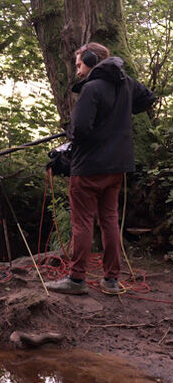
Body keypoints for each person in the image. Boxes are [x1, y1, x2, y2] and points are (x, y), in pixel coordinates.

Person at [45, 42, 156, 295]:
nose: (78, 71)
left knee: (82, 222)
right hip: (117, 168)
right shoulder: (126, 83)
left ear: (92, 60)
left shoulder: (92, 88)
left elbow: (81, 129)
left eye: (79, 64)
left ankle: (76, 280)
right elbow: (148, 98)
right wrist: (119, 114)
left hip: (88, 168)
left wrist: (71, 135)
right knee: (109, 221)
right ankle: (111, 281)